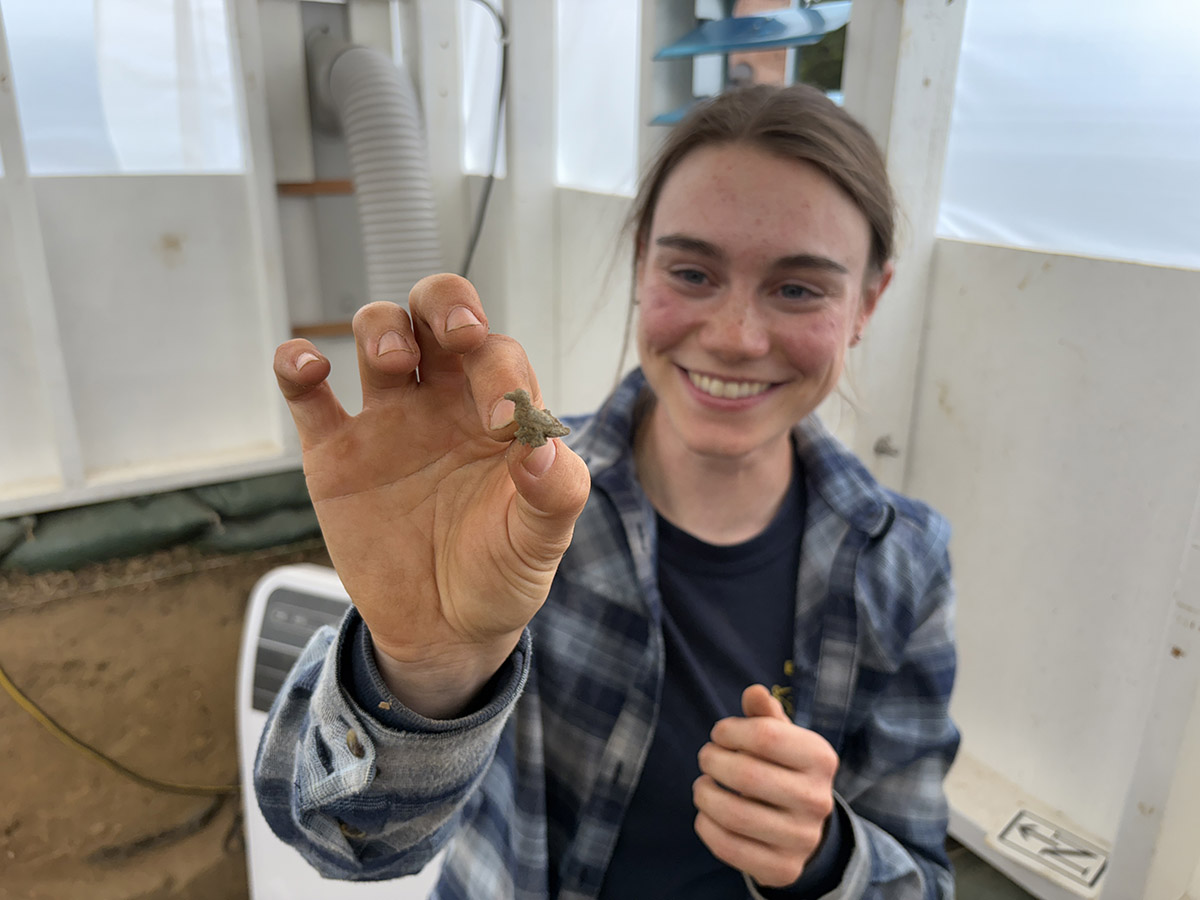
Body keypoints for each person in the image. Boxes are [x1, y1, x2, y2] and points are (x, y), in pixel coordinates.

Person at [256, 83, 960, 899]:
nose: (735, 337)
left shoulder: (905, 561)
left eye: (799, 287)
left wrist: (830, 856)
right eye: (692, 272)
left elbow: (922, 879)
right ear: (640, 269)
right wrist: (422, 677)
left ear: (867, 302)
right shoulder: (509, 504)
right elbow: (344, 845)